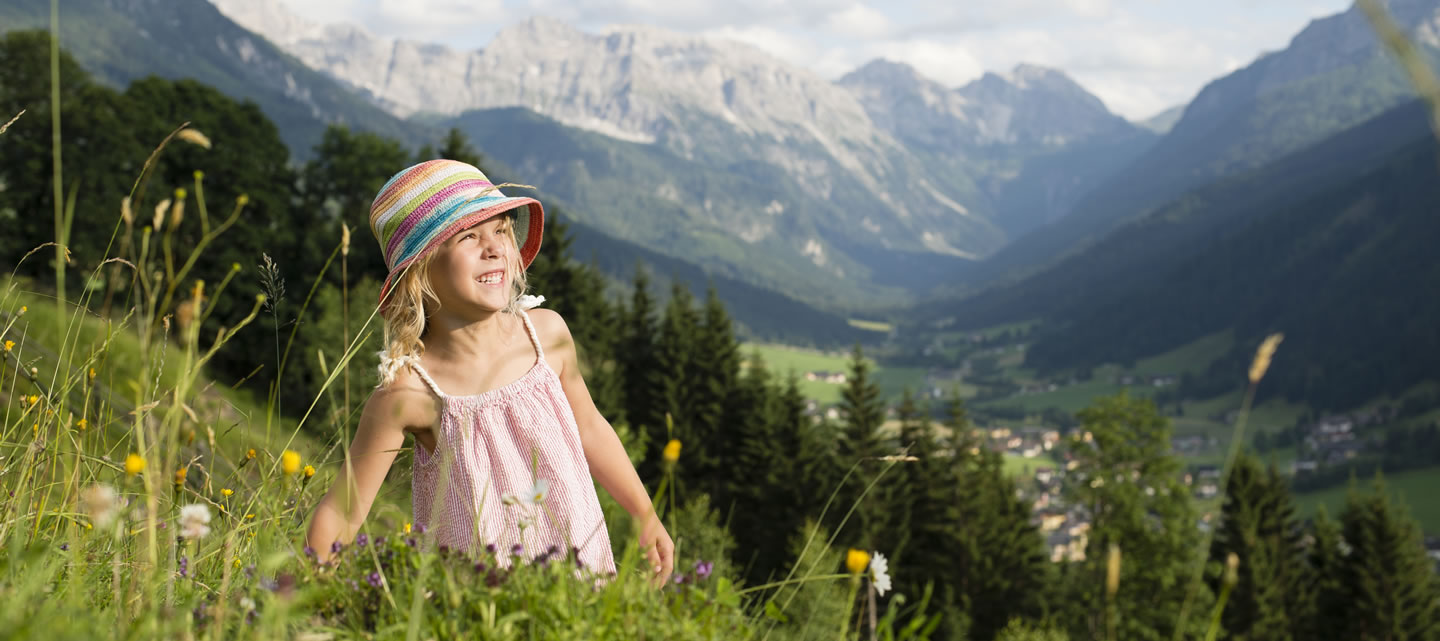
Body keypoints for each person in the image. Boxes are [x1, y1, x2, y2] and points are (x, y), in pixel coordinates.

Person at [304, 159, 674, 586]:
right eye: (469, 237)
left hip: (580, 582)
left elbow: (590, 428)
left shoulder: (548, 336)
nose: (495, 246)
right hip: (478, 606)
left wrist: (644, 515)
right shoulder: (409, 393)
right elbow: (344, 509)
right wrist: (315, 593)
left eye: (501, 230)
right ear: (420, 271)